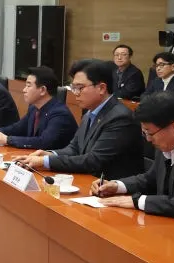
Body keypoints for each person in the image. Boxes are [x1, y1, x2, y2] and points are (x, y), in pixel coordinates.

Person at [13, 59, 144, 179]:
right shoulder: (89, 113)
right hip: (89, 181)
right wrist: (49, 155)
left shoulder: (120, 118)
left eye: (80, 88)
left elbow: (93, 161)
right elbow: (74, 148)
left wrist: (45, 162)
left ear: (102, 88)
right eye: (73, 88)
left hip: (112, 188)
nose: (75, 93)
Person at [92, 92, 174, 221]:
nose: (148, 139)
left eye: (150, 133)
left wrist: (138, 201)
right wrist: (117, 186)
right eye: (144, 133)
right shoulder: (168, 141)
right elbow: (151, 179)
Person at [0, 66, 77, 151]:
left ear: (43, 90)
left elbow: (44, 142)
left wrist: (8, 140)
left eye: (28, 86)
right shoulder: (34, 108)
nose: (24, 90)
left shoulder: (60, 114)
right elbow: (18, 127)